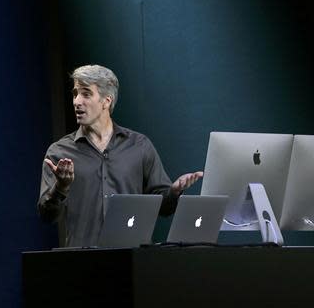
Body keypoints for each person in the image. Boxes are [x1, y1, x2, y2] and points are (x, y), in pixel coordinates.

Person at [38, 64, 203, 247]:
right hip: (83, 262)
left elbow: (163, 207)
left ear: (106, 101)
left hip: (132, 260)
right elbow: (47, 215)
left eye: (86, 94)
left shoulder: (139, 146)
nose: (77, 101)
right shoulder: (60, 152)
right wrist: (61, 187)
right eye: (75, 93)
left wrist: (174, 191)